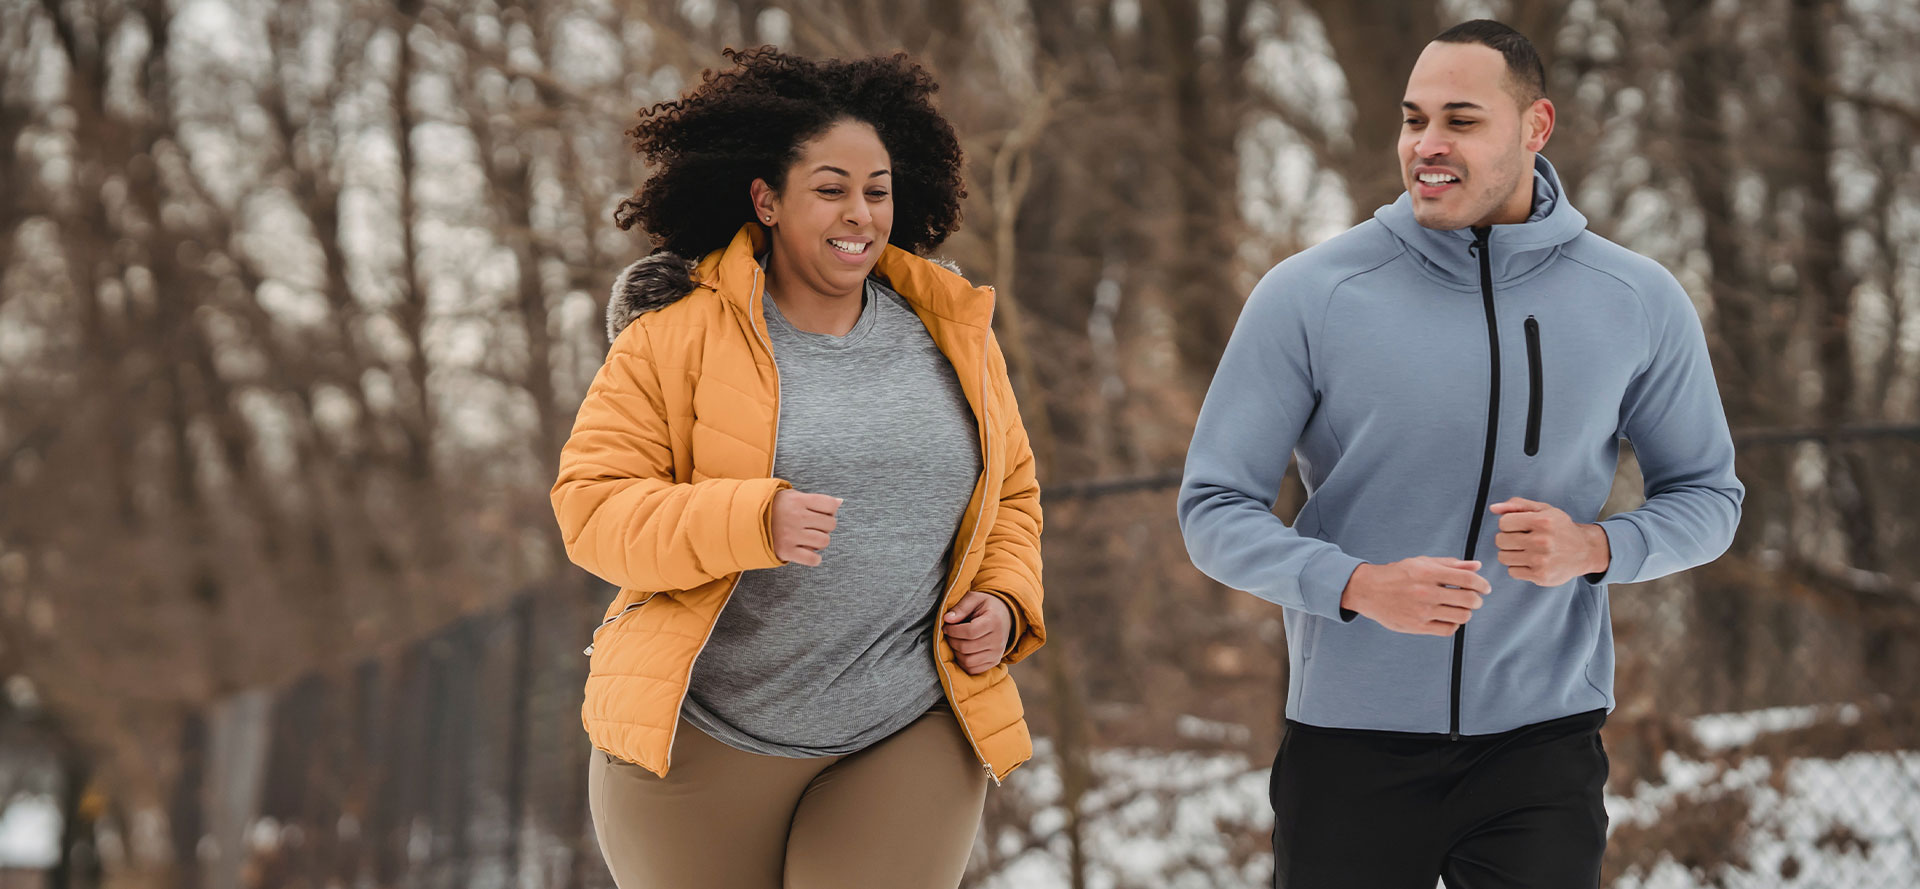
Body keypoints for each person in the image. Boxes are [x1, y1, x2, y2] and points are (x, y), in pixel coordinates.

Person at [1177, 19, 1743, 889]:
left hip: (1542, 747)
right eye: (1413, 120)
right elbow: (1213, 510)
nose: (1426, 146)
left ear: (1536, 127)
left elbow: (1709, 498)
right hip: (1351, 745)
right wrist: (1358, 587)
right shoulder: (1311, 295)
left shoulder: (1635, 299)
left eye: (1461, 121)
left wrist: (1596, 548)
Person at [550, 47, 1045, 889]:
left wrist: (1002, 600)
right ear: (767, 199)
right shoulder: (673, 337)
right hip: (701, 739)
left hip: (903, 721)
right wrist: (750, 519)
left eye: (876, 189)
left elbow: (1012, 499)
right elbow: (593, 511)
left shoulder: (952, 335)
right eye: (830, 188)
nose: (859, 213)